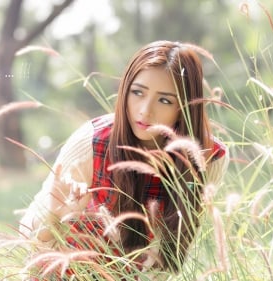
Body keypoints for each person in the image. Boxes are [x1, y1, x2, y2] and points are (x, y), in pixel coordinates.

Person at [19, 40, 229, 279]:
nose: (144, 111)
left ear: (185, 106)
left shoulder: (207, 158)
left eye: (164, 100)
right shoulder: (94, 140)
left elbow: (175, 251)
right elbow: (28, 234)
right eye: (137, 93)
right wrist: (54, 218)